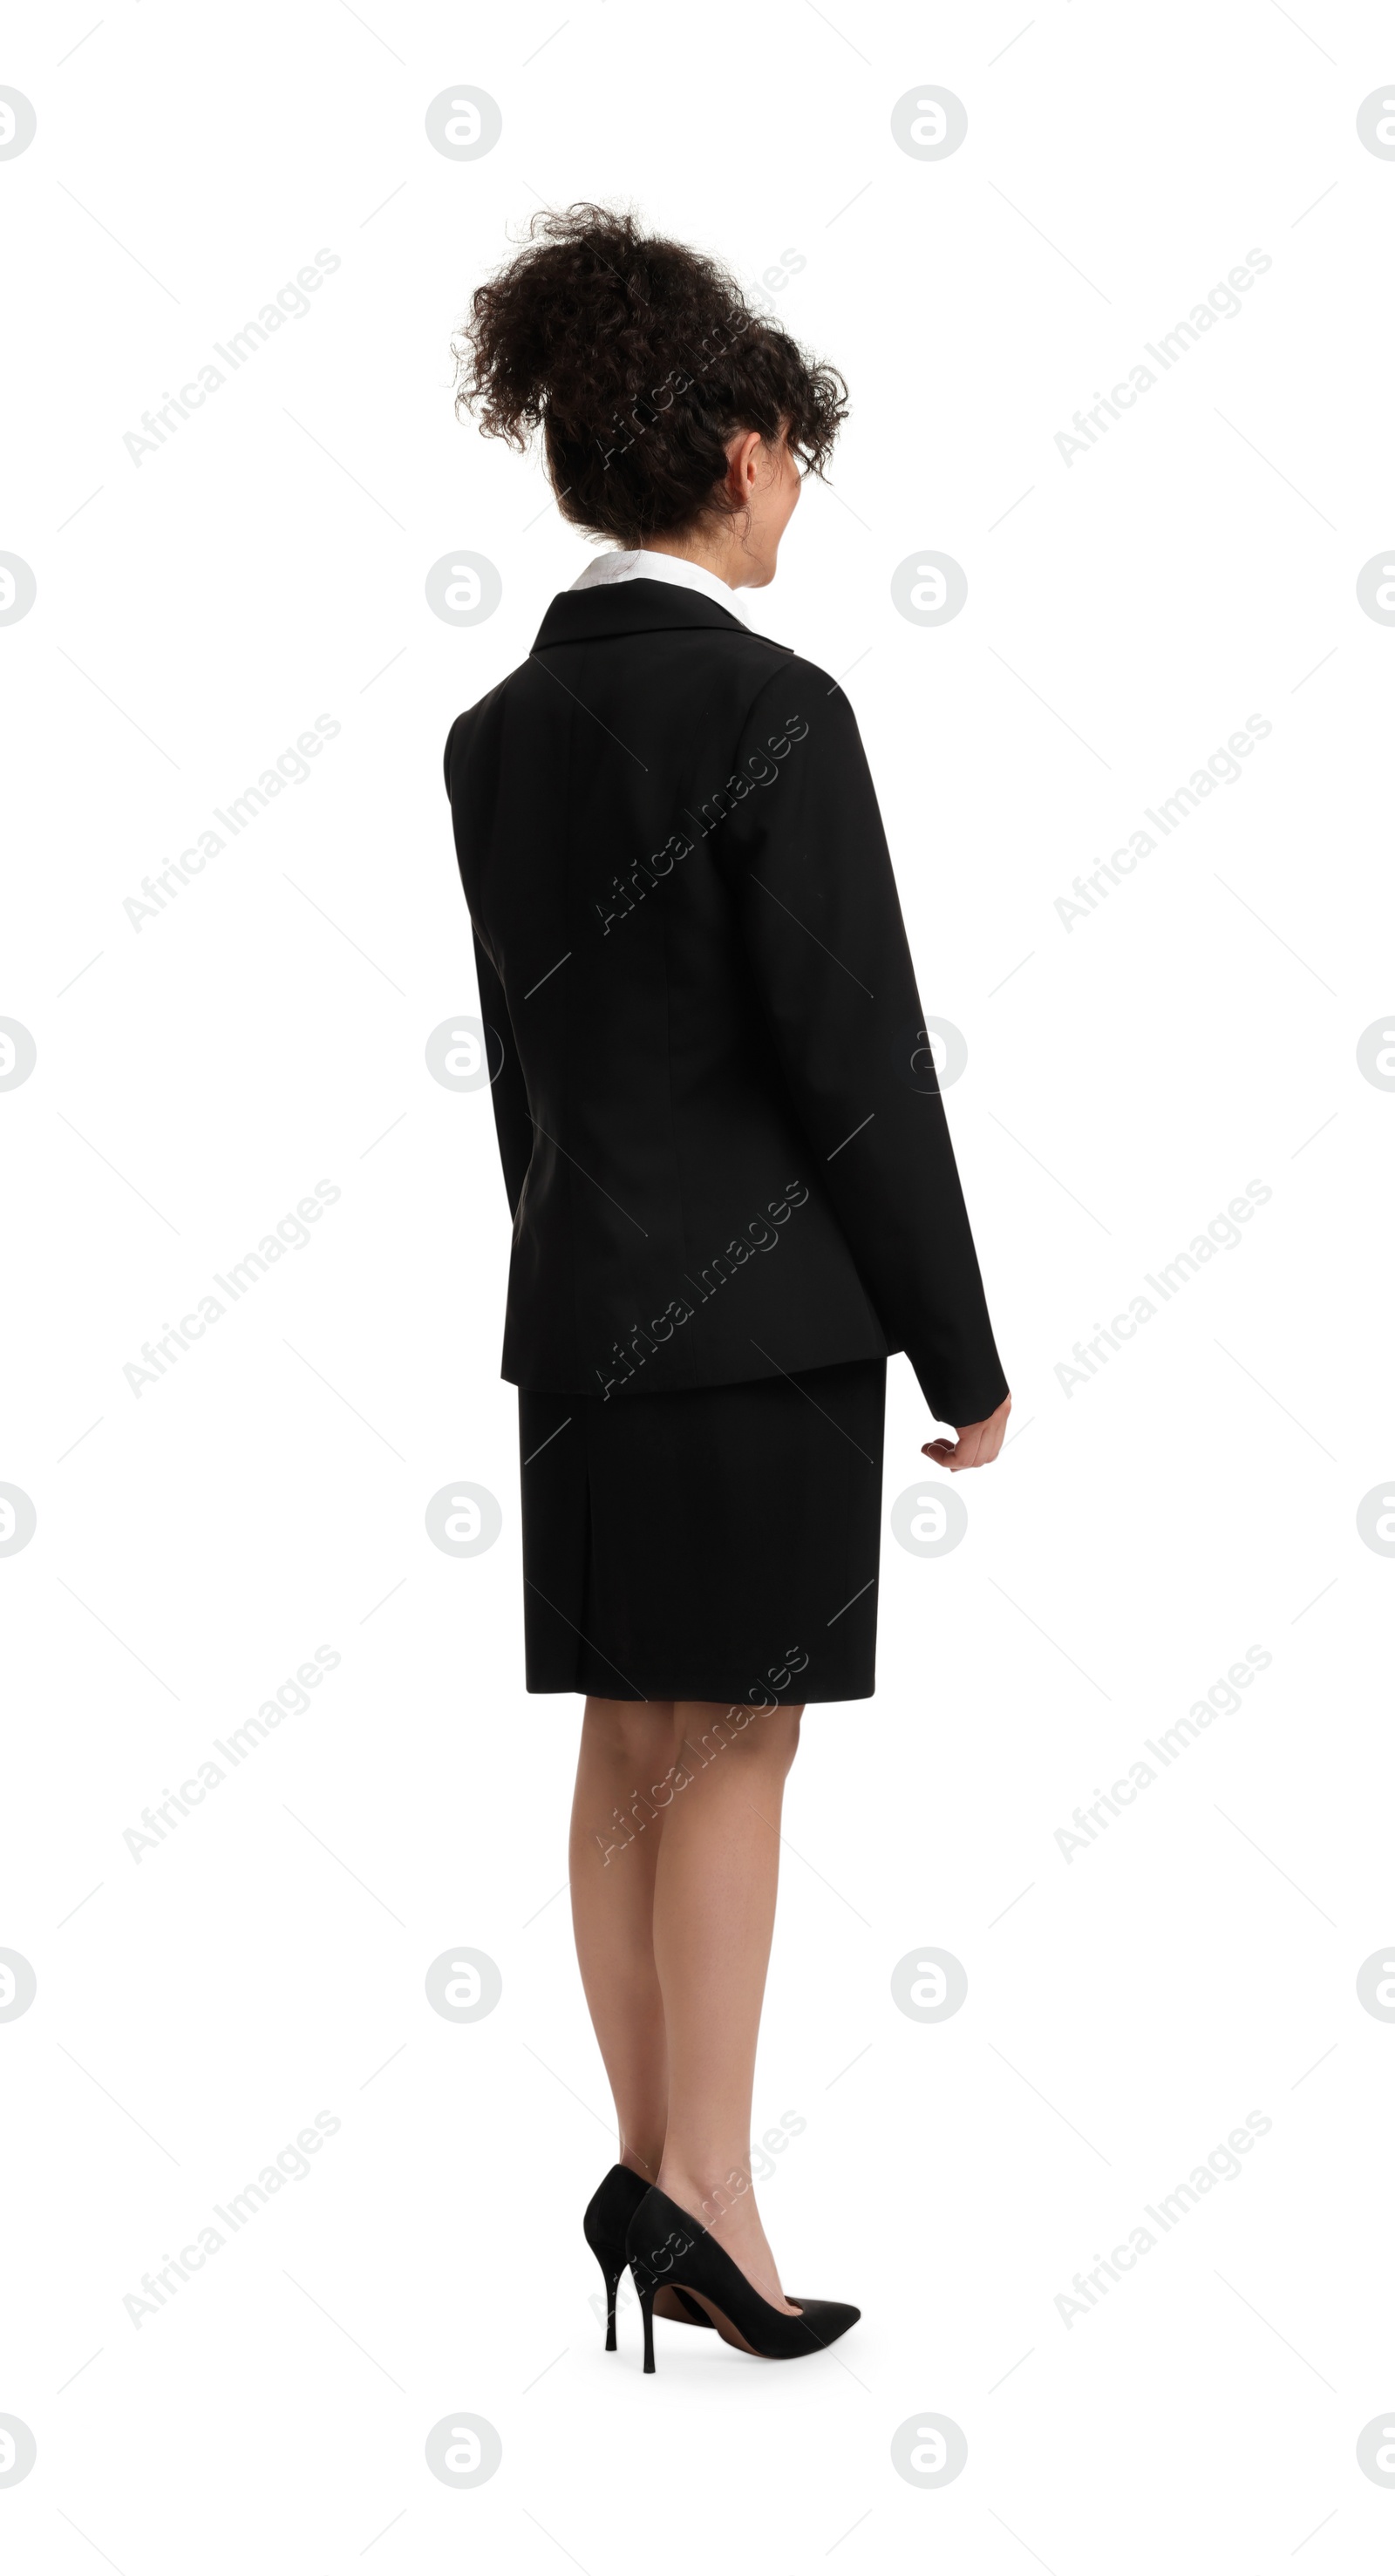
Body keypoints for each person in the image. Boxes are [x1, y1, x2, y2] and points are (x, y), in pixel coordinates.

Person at [443, 204, 1010, 2370]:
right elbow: (850, 1056)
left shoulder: (497, 733)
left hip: (575, 1309)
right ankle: (714, 2190)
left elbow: (528, 1075)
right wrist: (954, 1346)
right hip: (762, 1324)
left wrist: (563, 1260)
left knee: (622, 1746)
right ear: (748, 449)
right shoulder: (771, 706)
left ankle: (643, 2169)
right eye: (797, 467)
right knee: (735, 1755)